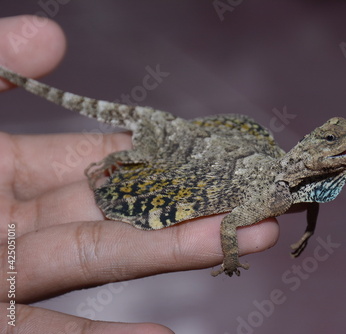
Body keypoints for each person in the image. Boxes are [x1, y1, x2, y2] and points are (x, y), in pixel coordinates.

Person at [0, 15, 279, 333]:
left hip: (173, 132)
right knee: (143, 157)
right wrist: (119, 160)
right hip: (158, 129)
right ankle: (117, 158)